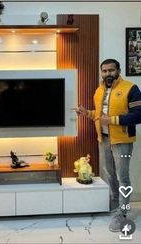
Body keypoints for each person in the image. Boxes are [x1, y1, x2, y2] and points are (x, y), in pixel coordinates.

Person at [73, 59, 141, 232]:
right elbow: (99, 114)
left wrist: (111, 120)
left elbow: (138, 115)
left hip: (122, 141)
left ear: (118, 70)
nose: (107, 74)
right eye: (104, 71)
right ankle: (115, 201)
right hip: (103, 139)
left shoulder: (131, 88)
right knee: (109, 174)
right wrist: (87, 112)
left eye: (111, 70)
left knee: (122, 176)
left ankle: (122, 213)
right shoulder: (99, 90)